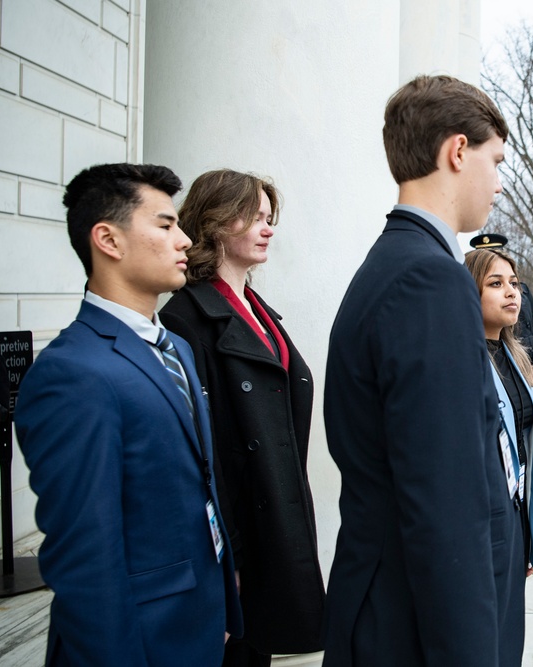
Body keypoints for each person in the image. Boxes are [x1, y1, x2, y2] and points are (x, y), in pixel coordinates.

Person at [322, 75, 518, 666]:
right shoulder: (428, 278)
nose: (499, 181)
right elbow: (446, 501)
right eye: (495, 159)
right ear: (457, 151)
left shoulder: (401, 262)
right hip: (406, 622)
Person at [15, 163, 242, 665]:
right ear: (108, 240)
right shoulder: (72, 374)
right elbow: (85, 557)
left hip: (196, 622)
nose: (184, 240)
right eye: (165, 225)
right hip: (136, 640)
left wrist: (220, 601)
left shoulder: (176, 348)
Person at [159, 169, 325, 665]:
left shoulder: (259, 310)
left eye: (270, 218)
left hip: (277, 512)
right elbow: (197, 451)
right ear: (214, 221)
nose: (268, 228)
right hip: (240, 531)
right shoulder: (184, 318)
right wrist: (224, 553)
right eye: (254, 216)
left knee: (262, 648)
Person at [465, 248, 533, 575]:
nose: (512, 291)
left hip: (516, 513)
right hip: (484, 529)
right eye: (496, 284)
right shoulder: (465, 361)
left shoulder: (511, 355)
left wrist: (526, 533)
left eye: (514, 282)